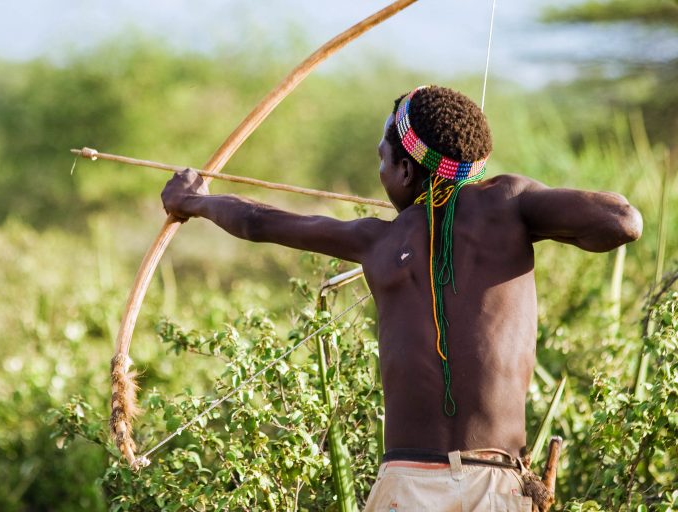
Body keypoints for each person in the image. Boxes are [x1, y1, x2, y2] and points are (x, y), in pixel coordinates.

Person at [160, 85, 642, 511]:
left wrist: (194, 201)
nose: (380, 172)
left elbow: (258, 222)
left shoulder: (380, 240)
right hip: (496, 488)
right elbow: (623, 221)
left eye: (382, 161)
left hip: (410, 488)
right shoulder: (509, 203)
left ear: (407, 171)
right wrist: (512, 202)